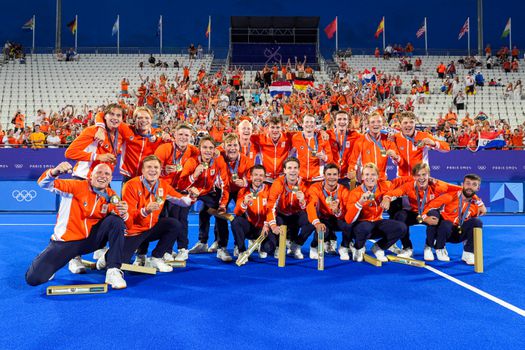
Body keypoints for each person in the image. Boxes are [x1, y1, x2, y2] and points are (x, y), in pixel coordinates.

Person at [25, 162, 129, 289]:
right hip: (67, 243)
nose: (103, 176)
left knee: (116, 221)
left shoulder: (111, 195)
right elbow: (43, 183)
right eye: (99, 172)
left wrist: (124, 212)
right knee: (34, 279)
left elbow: (123, 220)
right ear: (90, 175)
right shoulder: (75, 186)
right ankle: (55, 257)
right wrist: (54, 172)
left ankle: (113, 270)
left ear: (111, 178)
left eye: (107, 173)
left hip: (90, 241)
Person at [120, 156, 194, 271]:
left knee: (174, 224)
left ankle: (156, 258)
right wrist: (145, 211)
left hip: (150, 228)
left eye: (156, 167)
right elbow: (128, 216)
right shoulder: (130, 185)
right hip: (134, 232)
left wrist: (192, 196)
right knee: (117, 262)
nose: (153, 170)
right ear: (143, 170)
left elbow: (182, 201)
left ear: (160, 171)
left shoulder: (163, 185)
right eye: (149, 167)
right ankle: (106, 258)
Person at [178, 136, 231, 262]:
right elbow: (181, 184)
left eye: (211, 148)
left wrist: (223, 205)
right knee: (181, 214)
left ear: (214, 150)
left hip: (208, 192)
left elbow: (225, 185)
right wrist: (195, 175)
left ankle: (221, 247)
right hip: (192, 191)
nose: (208, 151)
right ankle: (182, 249)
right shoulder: (192, 162)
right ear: (199, 149)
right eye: (205, 147)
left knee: (220, 212)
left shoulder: (219, 161)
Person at [344, 163, 410, 262]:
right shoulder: (355, 193)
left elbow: (401, 181)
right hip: (361, 227)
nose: (370, 177)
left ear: (378, 177)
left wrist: (387, 198)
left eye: (373, 175)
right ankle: (358, 247)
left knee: (401, 227)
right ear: (362, 177)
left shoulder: (384, 186)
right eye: (366, 175)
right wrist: (360, 202)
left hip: (377, 222)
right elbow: (348, 220)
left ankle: (379, 247)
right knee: (366, 226)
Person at [422, 174, 484, 265]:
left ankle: (468, 253)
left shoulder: (476, 205)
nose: (470, 187)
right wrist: (424, 218)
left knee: (477, 222)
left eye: (474, 185)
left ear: (478, 188)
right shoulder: (450, 197)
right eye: (468, 183)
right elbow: (429, 207)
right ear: (462, 185)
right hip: (443, 231)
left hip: (458, 233)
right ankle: (439, 248)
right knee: (445, 223)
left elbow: (471, 228)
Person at [266, 157, 314, 259]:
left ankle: (296, 245)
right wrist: (273, 226)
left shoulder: (304, 184)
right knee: (269, 247)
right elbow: (270, 206)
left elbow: (308, 207)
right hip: (281, 214)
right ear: (284, 170)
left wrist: (302, 201)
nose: (293, 170)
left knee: (312, 221)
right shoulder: (278, 183)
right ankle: (279, 246)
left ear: (299, 170)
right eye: (289, 168)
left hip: (296, 214)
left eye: (295, 168)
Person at [305, 164, 353, 260]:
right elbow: (311, 206)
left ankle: (344, 247)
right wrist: (317, 222)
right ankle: (314, 246)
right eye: (329, 174)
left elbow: (348, 211)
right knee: (323, 230)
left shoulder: (344, 190)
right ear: (324, 175)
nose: (332, 177)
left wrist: (337, 211)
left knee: (350, 224)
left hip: (337, 218)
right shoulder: (315, 188)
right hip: (322, 218)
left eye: (334, 174)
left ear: (339, 176)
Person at [231, 165, 273, 261]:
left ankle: (261, 246)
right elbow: (237, 212)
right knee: (236, 221)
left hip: (264, 229)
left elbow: (272, 210)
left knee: (268, 250)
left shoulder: (269, 190)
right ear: (251, 176)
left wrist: (267, 224)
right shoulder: (243, 191)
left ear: (265, 177)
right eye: (256, 175)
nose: (258, 178)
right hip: (249, 227)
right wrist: (244, 203)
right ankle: (241, 250)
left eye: (261, 175)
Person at [347, 112, 400, 181]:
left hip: (382, 180)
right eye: (372, 122)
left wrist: (395, 156)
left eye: (379, 121)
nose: (376, 124)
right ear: (368, 125)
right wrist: (351, 170)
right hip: (366, 181)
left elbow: (397, 159)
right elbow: (353, 161)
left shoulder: (387, 139)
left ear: (382, 124)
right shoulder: (360, 141)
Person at [291, 114, 332, 186]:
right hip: (300, 179)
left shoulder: (322, 138)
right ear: (302, 124)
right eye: (306, 122)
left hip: (317, 179)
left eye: (311, 122)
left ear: (315, 124)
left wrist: (324, 157)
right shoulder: (295, 137)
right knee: (296, 196)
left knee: (315, 197)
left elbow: (330, 158)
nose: (309, 124)